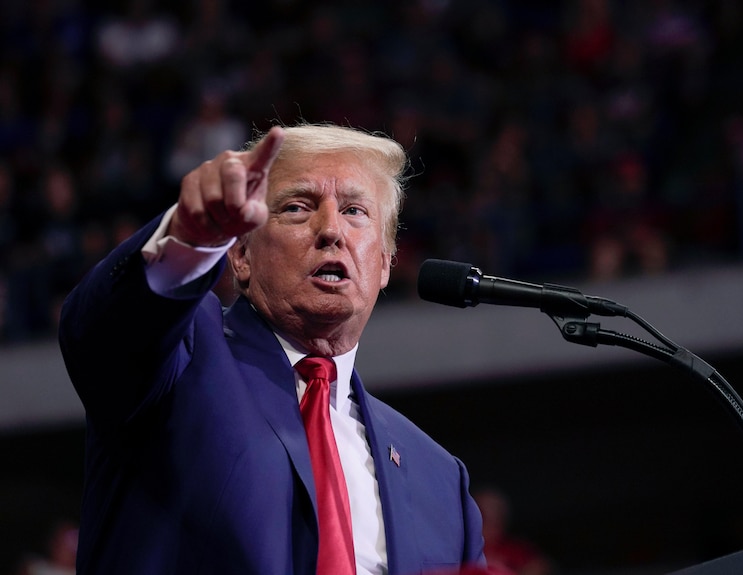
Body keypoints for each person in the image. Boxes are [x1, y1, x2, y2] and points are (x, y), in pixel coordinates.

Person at [58, 123, 486, 574]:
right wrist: (188, 241)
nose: (330, 230)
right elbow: (103, 334)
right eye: (297, 208)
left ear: (385, 261)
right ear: (240, 255)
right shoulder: (181, 357)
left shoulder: (440, 480)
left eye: (355, 211)